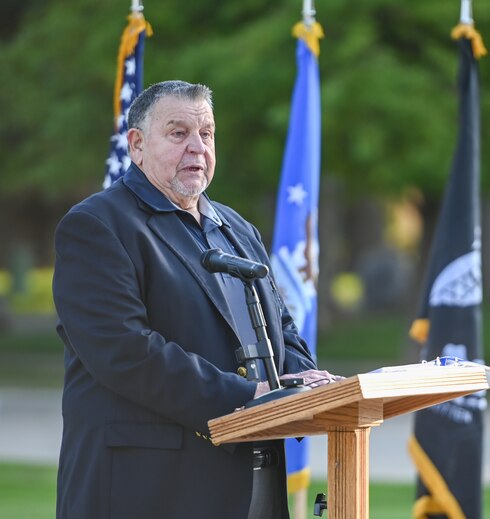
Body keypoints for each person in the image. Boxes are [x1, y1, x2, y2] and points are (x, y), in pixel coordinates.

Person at [52, 80, 337, 519]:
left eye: (206, 134)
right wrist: (250, 396)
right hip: (146, 490)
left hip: (256, 484)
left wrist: (302, 384)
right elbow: (124, 352)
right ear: (137, 145)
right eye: (179, 133)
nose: (198, 148)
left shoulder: (236, 229)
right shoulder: (96, 226)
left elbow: (280, 326)